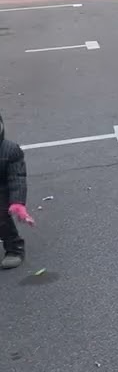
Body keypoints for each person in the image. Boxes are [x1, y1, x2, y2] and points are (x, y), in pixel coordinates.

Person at [1, 113, 34, 269]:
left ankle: (15, 249)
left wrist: (17, 203)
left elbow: (17, 178)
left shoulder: (9, 150)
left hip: (2, 189)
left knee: (2, 218)